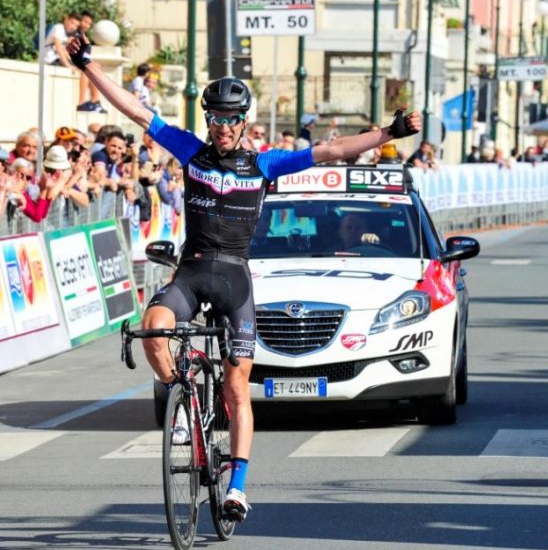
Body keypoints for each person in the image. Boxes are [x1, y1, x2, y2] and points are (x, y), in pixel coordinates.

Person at [66, 33, 421, 522]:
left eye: (232, 119)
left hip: (235, 280)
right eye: (215, 118)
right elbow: (137, 113)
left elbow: (334, 150)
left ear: (244, 120)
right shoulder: (191, 152)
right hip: (192, 273)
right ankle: (185, 403)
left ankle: (236, 487)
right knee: (152, 328)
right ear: (207, 120)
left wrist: (387, 132)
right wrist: (89, 68)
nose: (223, 127)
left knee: (236, 385)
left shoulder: (265, 164)